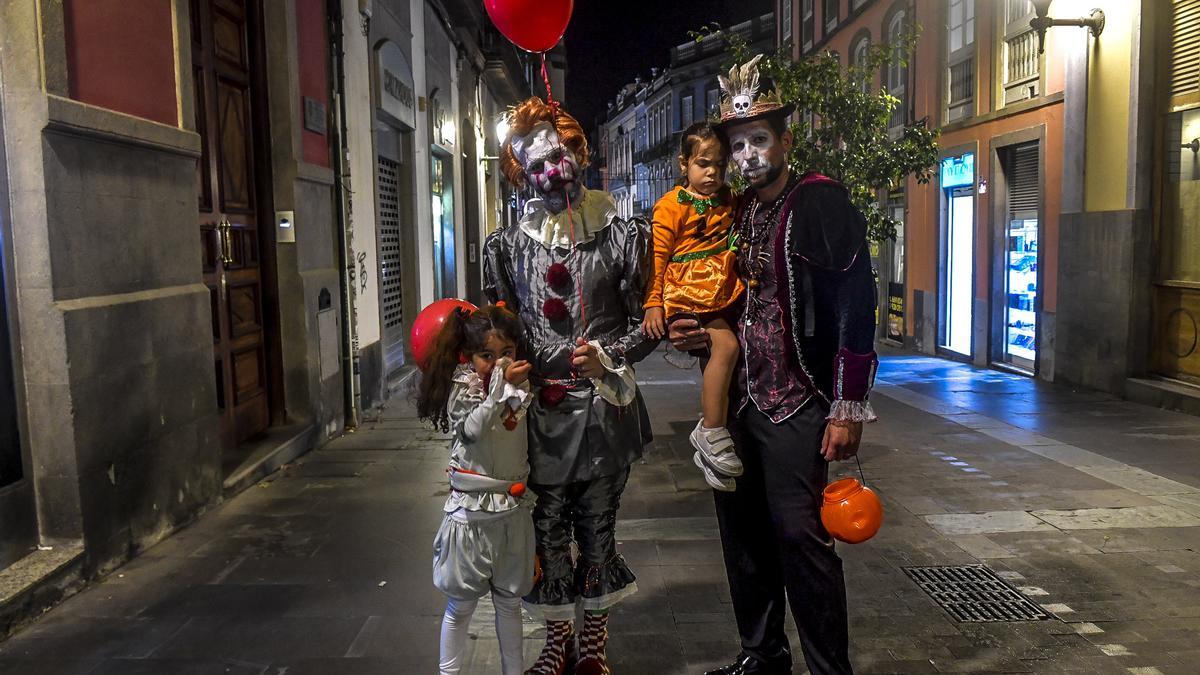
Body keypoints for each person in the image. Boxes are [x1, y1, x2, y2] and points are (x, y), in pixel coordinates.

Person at [670, 55, 879, 675]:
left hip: (798, 402)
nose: (748, 155)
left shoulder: (820, 202)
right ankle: (762, 655)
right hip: (738, 401)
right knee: (744, 539)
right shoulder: (738, 211)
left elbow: (856, 300)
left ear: (785, 140)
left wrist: (847, 404)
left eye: (759, 140)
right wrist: (691, 328)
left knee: (801, 540)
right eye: (738, 145)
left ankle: (827, 669)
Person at [485, 97, 658, 675]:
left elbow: (648, 323)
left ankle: (593, 647)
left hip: (607, 410)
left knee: (599, 527)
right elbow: (502, 334)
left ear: (576, 151)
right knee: (548, 529)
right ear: (521, 173)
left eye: (557, 155)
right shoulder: (508, 247)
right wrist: (497, 377)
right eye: (535, 165)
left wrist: (610, 358)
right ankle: (558, 643)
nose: (551, 171)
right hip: (543, 416)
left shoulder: (621, 234)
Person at [418, 304, 536, 675]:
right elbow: (472, 430)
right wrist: (496, 392)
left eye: (506, 354)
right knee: (460, 607)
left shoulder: (519, 388)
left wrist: (509, 389)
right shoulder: (463, 388)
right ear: (469, 357)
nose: (498, 363)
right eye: (487, 355)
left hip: (512, 512)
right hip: (471, 516)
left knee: (509, 604)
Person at [642, 121, 745, 492]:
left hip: (721, 285)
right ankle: (711, 430)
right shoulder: (671, 206)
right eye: (704, 163)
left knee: (729, 349)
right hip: (690, 289)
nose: (713, 172)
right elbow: (657, 256)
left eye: (720, 164)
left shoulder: (729, 199)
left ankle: (716, 429)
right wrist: (654, 304)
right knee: (727, 346)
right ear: (683, 163)